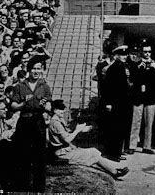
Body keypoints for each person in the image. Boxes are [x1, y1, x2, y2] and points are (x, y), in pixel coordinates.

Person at [48, 100, 129, 180]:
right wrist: (77, 130)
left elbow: (66, 135)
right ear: (55, 110)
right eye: (61, 110)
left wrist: (81, 130)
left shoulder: (57, 120)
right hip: (62, 154)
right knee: (93, 153)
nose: (63, 112)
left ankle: (114, 171)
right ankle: (114, 172)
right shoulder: (56, 123)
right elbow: (67, 140)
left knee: (93, 152)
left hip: (64, 150)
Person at [10, 57, 52, 192]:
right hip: (24, 121)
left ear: (41, 70)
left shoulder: (45, 86)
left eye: (38, 68)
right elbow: (13, 105)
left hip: (38, 122)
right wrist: (23, 103)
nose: (36, 71)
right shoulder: (20, 86)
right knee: (23, 154)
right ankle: (22, 184)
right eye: (33, 68)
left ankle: (39, 187)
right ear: (28, 70)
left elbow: (50, 105)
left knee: (40, 155)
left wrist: (45, 106)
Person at [103, 44, 133, 161]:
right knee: (114, 129)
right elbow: (108, 88)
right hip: (115, 103)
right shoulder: (113, 68)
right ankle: (112, 153)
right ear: (116, 56)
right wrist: (109, 103)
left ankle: (117, 152)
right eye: (121, 55)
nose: (124, 56)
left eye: (125, 54)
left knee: (121, 128)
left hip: (123, 103)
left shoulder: (122, 67)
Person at [128, 41, 155, 155]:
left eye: (149, 52)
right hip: (138, 97)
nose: (147, 54)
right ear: (142, 53)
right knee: (136, 122)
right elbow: (132, 79)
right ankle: (132, 145)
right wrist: (139, 68)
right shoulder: (137, 64)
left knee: (149, 122)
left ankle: (147, 146)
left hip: (150, 98)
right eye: (145, 52)